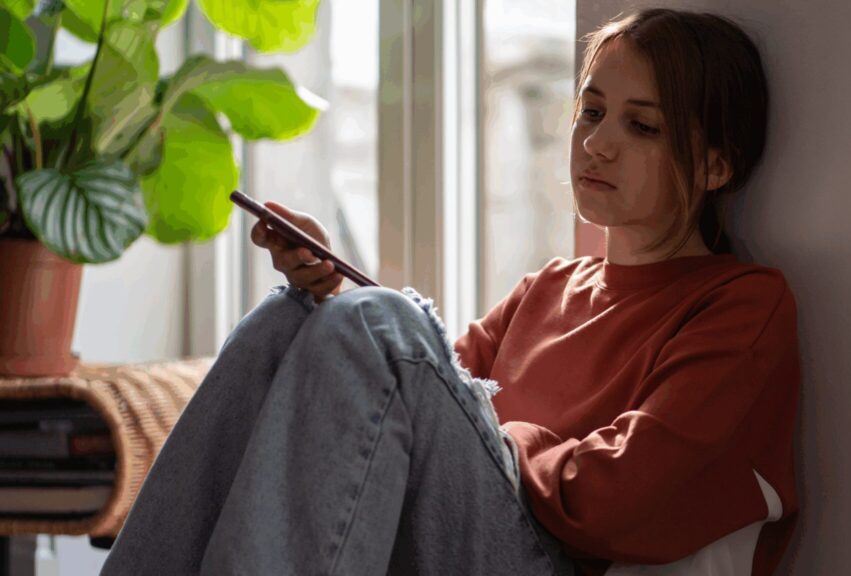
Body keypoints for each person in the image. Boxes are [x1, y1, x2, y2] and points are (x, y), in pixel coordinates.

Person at [100, 7, 798, 576]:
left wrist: (499, 432)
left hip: (560, 564)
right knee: (284, 322)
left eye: (640, 126)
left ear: (715, 163)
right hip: (472, 534)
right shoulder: (548, 289)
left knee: (381, 327)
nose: (597, 144)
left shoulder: (741, 303)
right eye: (591, 112)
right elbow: (421, 405)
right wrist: (329, 293)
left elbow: (621, 501)